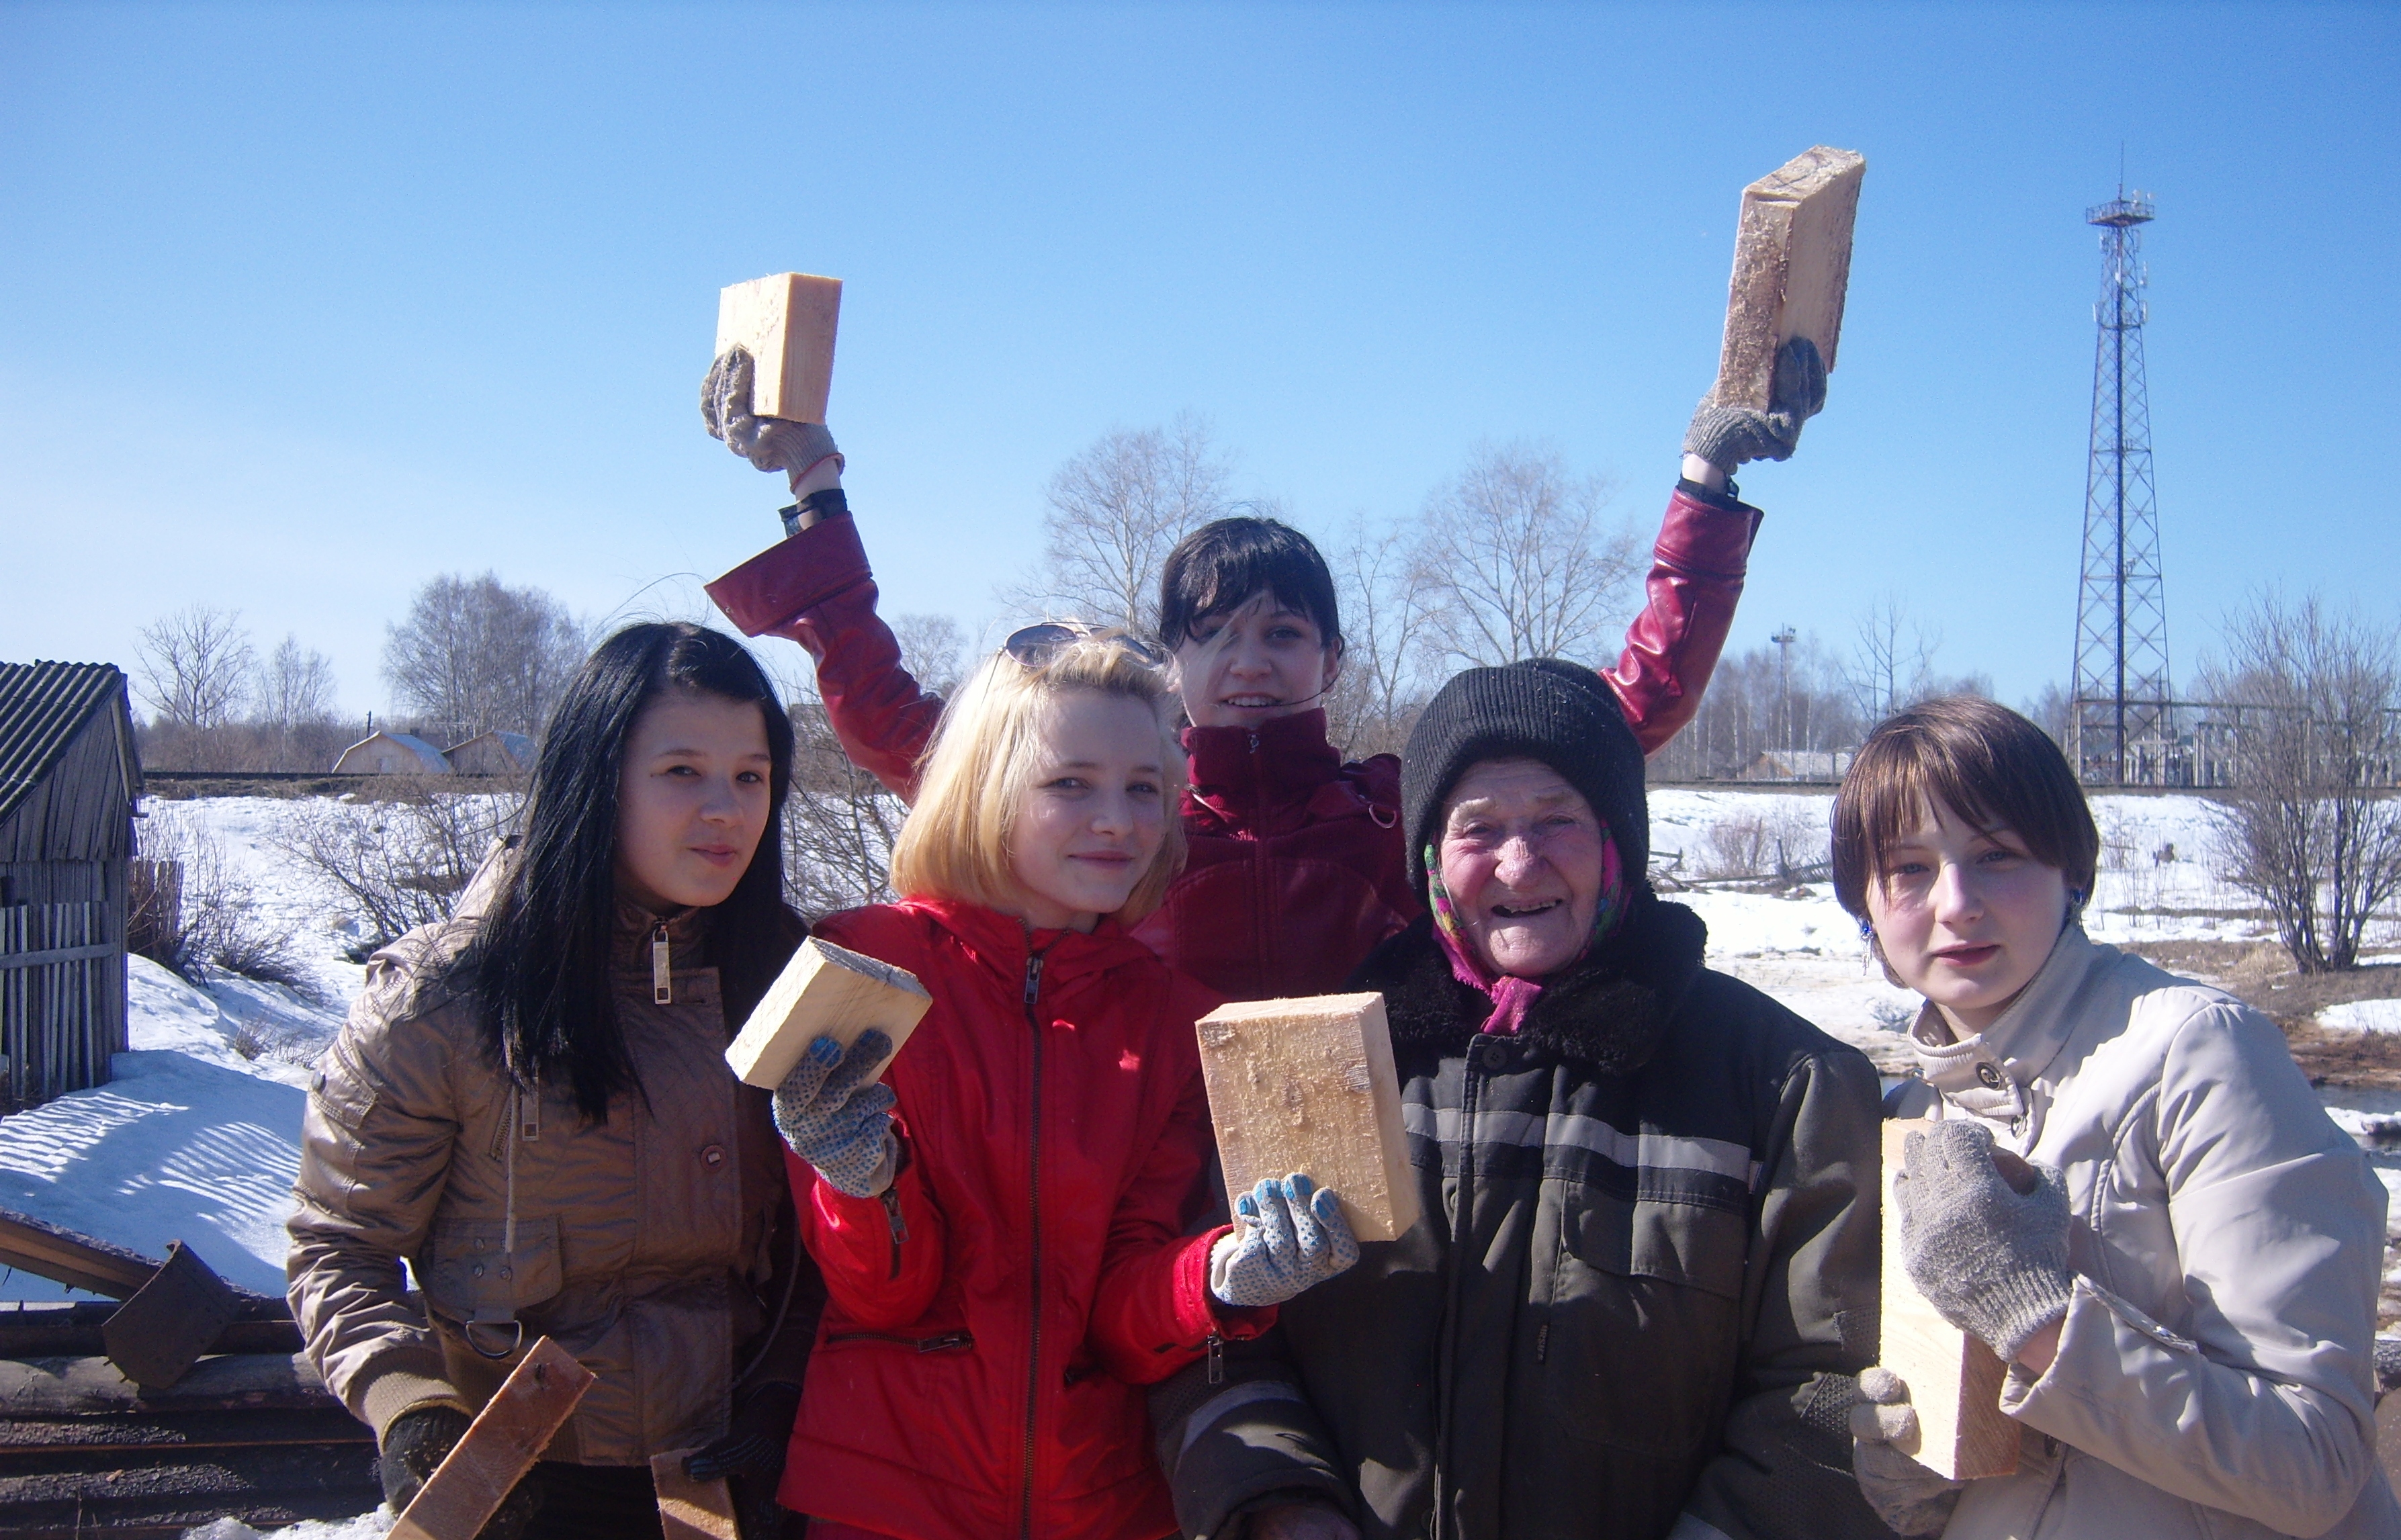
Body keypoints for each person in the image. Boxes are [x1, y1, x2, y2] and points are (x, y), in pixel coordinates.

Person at [697, 337, 1829, 999]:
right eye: (1216, 633)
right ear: (1170, 654)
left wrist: (1707, 479)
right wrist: (811, 479)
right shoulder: (1120, 812)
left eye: (1282, 632)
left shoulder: (1390, 809)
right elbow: (902, 728)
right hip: (1148, 1196)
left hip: (1383, 1179)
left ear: (1330, 657)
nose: (1250, 661)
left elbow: (1617, 714)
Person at [1147, 660, 1890, 1540]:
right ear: (1427, 853)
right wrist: (1278, 1506)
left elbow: (1830, 1387)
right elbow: (1218, 1340)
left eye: (1557, 821)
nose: (1518, 861)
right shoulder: (1321, 1062)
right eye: (1478, 827)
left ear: (1619, 838)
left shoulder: (1780, 1082)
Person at [761, 625, 1362, 1540]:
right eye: (1069, 784)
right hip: (888, 1499)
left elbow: (1121, 1314)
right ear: (988, 786)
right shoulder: (864, 965)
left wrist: (1222, 1275)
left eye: (1143, 789)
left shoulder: (1177, 1020)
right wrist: (864, 1184)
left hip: (1105, 1504)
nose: (1116, 820)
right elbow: (880, 1294)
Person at [288, 623, 820, 1540]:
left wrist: (783, 1394)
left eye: (751, 775)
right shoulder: (443, 1000)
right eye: (681, 772)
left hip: (736, 1467)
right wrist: (413, 1409)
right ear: (595, 776)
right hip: (523, 1485)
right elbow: (338, 1246)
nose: (726, 810)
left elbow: (824, 1240)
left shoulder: (786, 981)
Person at [1835, 696, 2398, 1539]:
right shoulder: (1914, 1113)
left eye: (1996, 854)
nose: (1956, 902)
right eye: (1909, 868)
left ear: (2072, 874)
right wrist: (1915, 1481)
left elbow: (2312, 1464)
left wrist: (2038, 1322)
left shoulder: (2198, 1053)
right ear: (1868, 910)